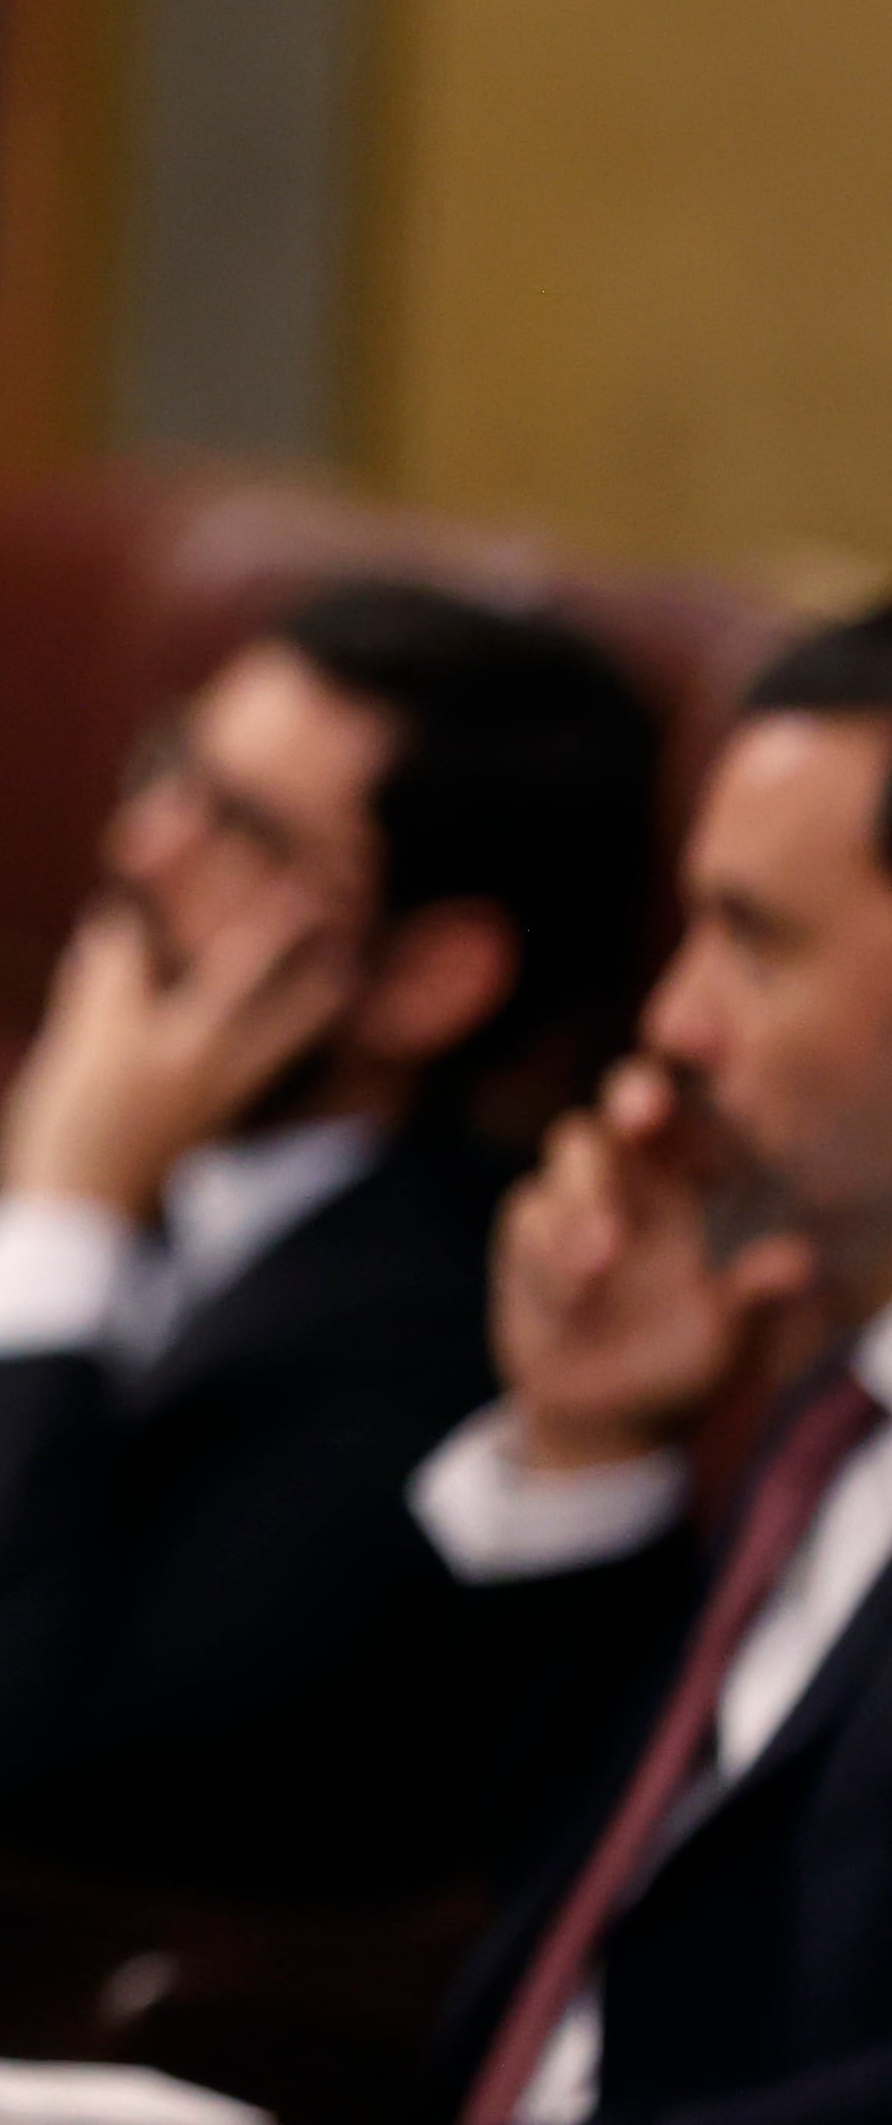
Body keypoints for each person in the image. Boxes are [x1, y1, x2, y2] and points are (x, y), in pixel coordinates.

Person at [0, 583, 662, 1902]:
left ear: (431, 977)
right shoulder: (176, 1188)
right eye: (169, 775)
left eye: (244, 833)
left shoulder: (444, 1333)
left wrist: (60, 1212)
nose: (139, 846)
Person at [413, 603, 892, 2125]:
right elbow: (589, 1959)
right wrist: (586, 1451)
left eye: (752, 939)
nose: (674, 1023)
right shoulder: (836, 1402)